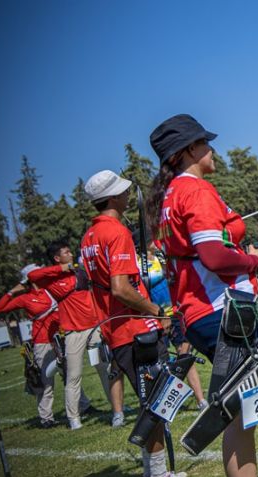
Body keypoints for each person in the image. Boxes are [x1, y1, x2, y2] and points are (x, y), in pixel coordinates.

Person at [147, 113, 258, 477]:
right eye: (204, 143)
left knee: (254, 412)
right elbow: (213, 257)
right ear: (188, 151)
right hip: (224, 316)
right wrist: (255, 260)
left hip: (208, 315)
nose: (212, 149)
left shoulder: (170, 196)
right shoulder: (194, 190)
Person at [80, 169, 180, 477]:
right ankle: (160, 473)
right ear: (111, 198)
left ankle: (155, 471)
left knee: (152, 402)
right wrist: (155, 310)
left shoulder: (89, 236)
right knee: (155, 405)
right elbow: (120, 288)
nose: (127, 195)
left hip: (116, 330)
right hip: (135, 330)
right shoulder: (115, 231)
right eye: (122, 192)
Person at [27, 242, 110, 429]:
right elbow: (32, 275)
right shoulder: (52, 279)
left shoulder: (79, 271)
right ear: (57, 258)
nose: (71, 254)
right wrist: (60, 268)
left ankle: (116, 407)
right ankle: (74, 419)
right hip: (73, 334)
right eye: (66, 252)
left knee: (104, 368)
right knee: (74, 376)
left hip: (93, 330)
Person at [141, 240, 208, 410]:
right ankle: (166, 401)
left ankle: (201, 400)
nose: (154, 243)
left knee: (184, 356)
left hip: (175, 312)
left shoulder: (161, 258)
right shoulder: (138, 264)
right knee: (162, 362)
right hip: (157, 317)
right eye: (150, 241)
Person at [0, 264, 61, 428]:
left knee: (71, 374)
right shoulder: (25, 298)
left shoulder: (51, 290)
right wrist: (12, 291)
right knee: (46, 381)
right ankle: (46, 417)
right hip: (42, 342)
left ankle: (83, 405)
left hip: (60, 338)